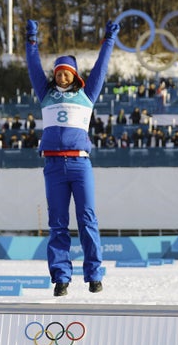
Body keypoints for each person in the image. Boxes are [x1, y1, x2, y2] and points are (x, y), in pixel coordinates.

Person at [25, 18, 119, 297]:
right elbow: (32, 67)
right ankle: (61, 277)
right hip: (53, 165)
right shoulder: (45, 94)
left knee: (88, 219)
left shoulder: (88, 95)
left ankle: (94, 275)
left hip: (80, 164)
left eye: (66, 72)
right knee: (57, 223)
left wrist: (109, 40)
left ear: (74, 74)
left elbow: (101, 68)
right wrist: (32, 40)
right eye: (58, 72)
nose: (61, 76)